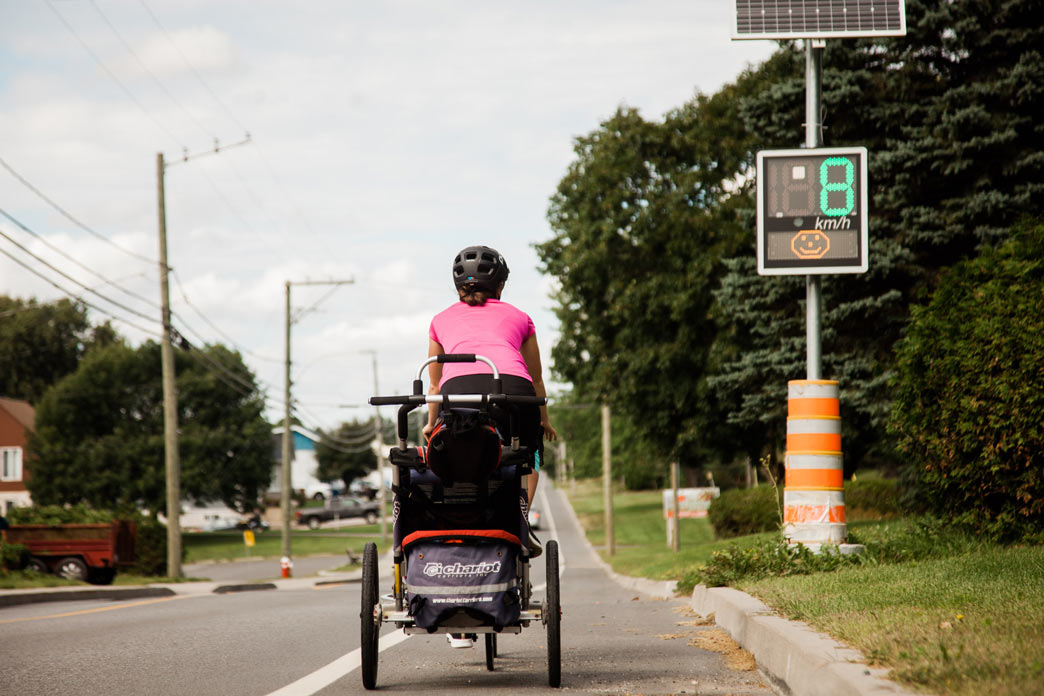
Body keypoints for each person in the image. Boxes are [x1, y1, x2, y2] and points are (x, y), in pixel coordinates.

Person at [425, 245, 557, 650]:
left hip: (457, 396)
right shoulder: (520, 317)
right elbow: (534, 377)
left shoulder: (439, 321)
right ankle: (520, 520)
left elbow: (433, 383)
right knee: (526, 455)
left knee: (456, 455)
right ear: (500, 283)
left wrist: (431, 428)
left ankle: (455, 526)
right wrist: (545, 420)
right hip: (513, 392)